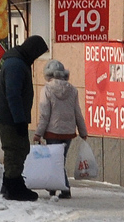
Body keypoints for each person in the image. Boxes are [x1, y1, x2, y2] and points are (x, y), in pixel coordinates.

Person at [0, 35, 49, 201]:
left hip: (12, 117)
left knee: (19, 149)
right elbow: (13, 95)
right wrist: (19, 120)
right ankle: (13, 187)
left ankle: (11, 183)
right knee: (14, 150)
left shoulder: (17, 62)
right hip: (10, 119)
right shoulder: (16, 65)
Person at [35, 59, 88, 198]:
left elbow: (44, 115)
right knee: (60, 159)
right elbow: (77, 112)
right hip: (69, 132)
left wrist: (38, 133)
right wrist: (83, 131)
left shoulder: (46, 89)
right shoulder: (73, 90)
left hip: (52, 131)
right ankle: (55, 188)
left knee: (55, 161)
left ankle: (63, 188)